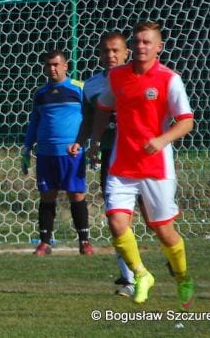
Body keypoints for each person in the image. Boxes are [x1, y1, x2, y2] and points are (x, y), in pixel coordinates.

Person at [89, 21, 195, 308]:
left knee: (163, 230)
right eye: (137, 41)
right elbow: (103, 107)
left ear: (158, 47)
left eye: (147, 42)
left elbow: (186, 121)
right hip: (122, 164)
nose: (141, 47)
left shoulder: (169, 79)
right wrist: (96, 141)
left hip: (156, 167)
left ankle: (183, 277)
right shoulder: (118, 77)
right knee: (116, 221)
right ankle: (140, 274)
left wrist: (162, 140)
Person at [22, 49, 93, 256]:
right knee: (46, 196)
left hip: (72, 153)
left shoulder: (80, 89)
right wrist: (27, 148)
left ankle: (84, 241)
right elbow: (35, 121)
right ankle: (45, 242)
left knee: (76, 195)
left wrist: (86, 144)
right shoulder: (40, 93)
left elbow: (90, 119)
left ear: (65, 66)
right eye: (48, 65)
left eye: (56, 64)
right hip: (46, 153)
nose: (52, 69)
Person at [82, 32, 137, 296]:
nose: (111, 56)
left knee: (156, 219)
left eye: (116, 50)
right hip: (112, 158)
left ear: (127, 52)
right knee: (116, 217)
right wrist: (86, 145)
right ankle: (128, 279)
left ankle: (173, 258)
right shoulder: (91, 86)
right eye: (105, 51)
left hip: (144, 155)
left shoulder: (141, 78)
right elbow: (89, 120)